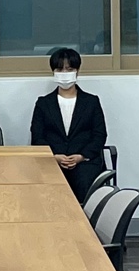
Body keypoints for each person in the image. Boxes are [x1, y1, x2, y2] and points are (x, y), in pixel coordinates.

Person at [30, 47, 107, 199]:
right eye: (60, 69)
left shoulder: (91, 102)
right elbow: (37, 136)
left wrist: (81, 156)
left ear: (77, 71)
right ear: (53, 72)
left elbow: (99, 135)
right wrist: (55, 156)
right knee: (49, 189)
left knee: (84, 182)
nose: (64, 73)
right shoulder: (43, 103)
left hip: (84, 162)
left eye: (69, 69)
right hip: (53, 161)